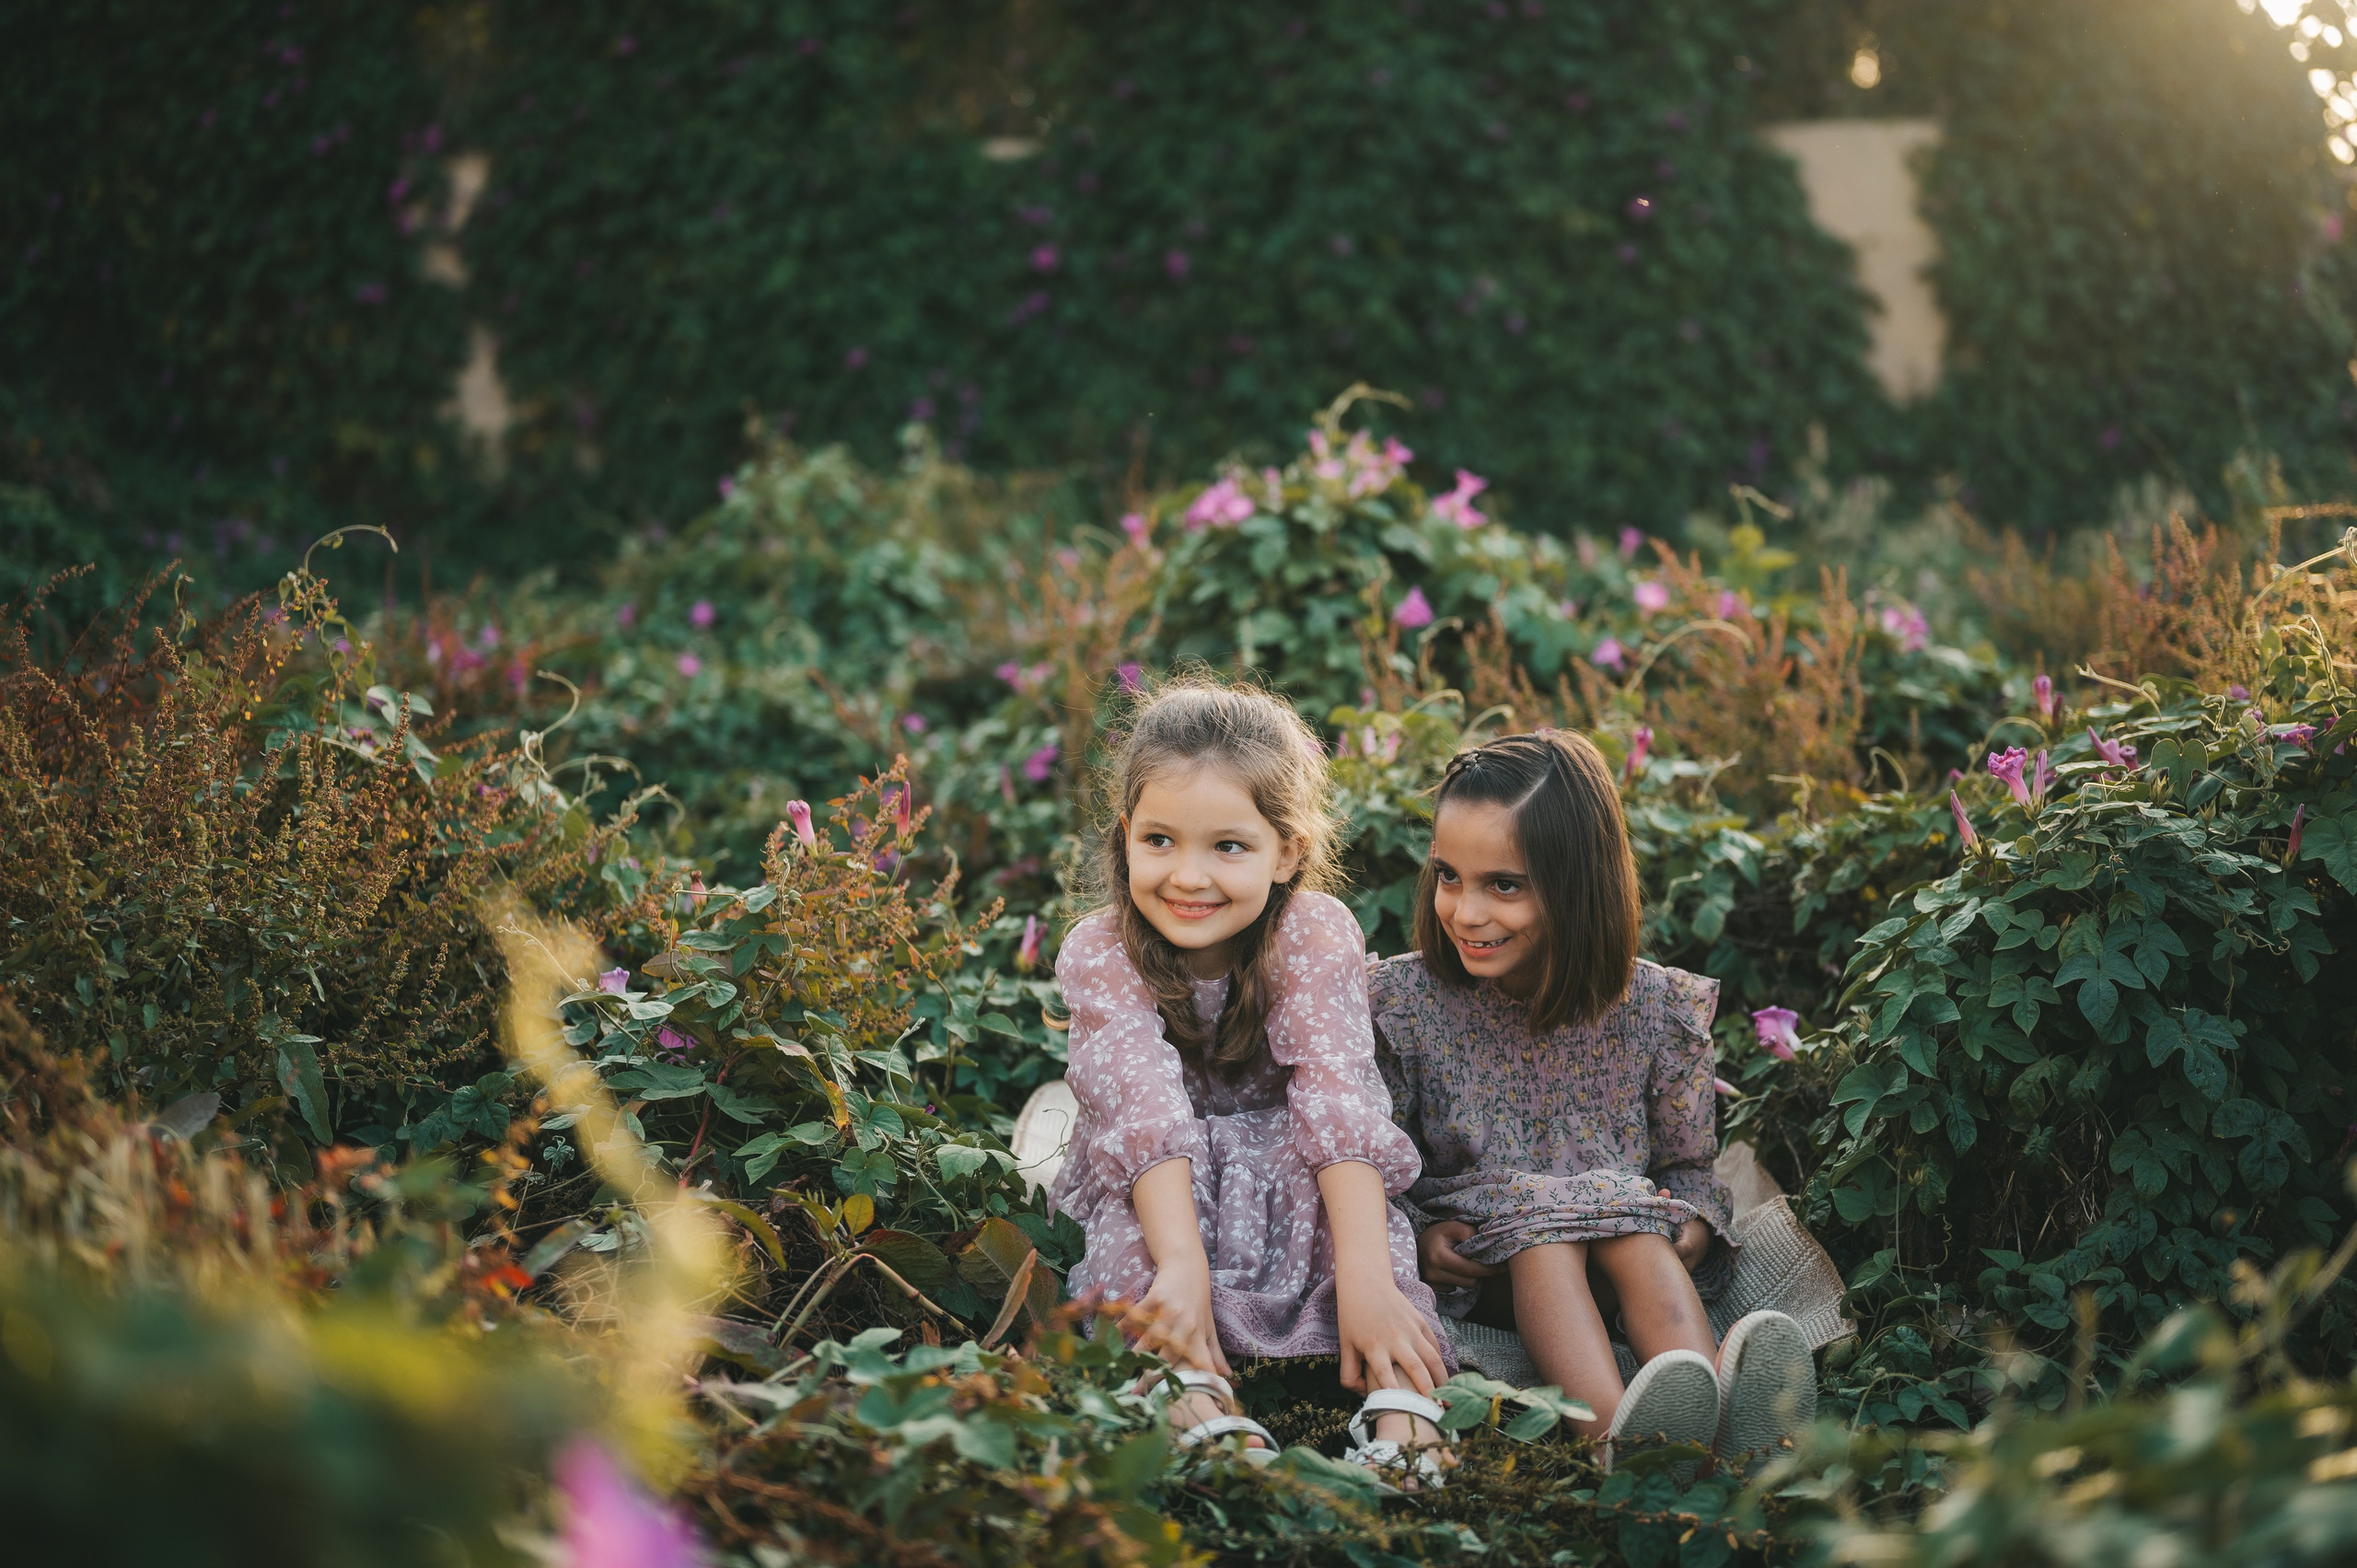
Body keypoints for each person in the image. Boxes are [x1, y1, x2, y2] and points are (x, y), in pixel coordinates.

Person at [1368, 730, 1814, 1471]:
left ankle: (1717, 1417)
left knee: (1639, 1236)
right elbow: (1372, 1158)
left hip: (1621, 1249)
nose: (1467, 912)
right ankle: (1618, 1448)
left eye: (1503, 885)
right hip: (1498, 1261)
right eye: (1449, 875)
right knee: (1546, 1241)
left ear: (1578, 886)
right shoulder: (1406, 1005)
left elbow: (1689, 1163)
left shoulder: (1650, 1007)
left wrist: (1697, 1222)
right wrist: (1419, 1234)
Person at [1049, 678, 1457, 1487]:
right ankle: (1188, 1394)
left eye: (1227, 846)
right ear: (1126, 834)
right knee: (1136, 1234)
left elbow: (1335, 1094)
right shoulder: (1102, 949)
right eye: (1159, 839)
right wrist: (1183, 1264)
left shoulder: (1311, 932)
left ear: (1288, 852)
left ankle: (1401, 1405)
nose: (1188, 876)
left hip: (1289, 1167)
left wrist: (1368, 1278)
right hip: (1159, 1179)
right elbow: (1145, 1110)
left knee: (1364, 1223)